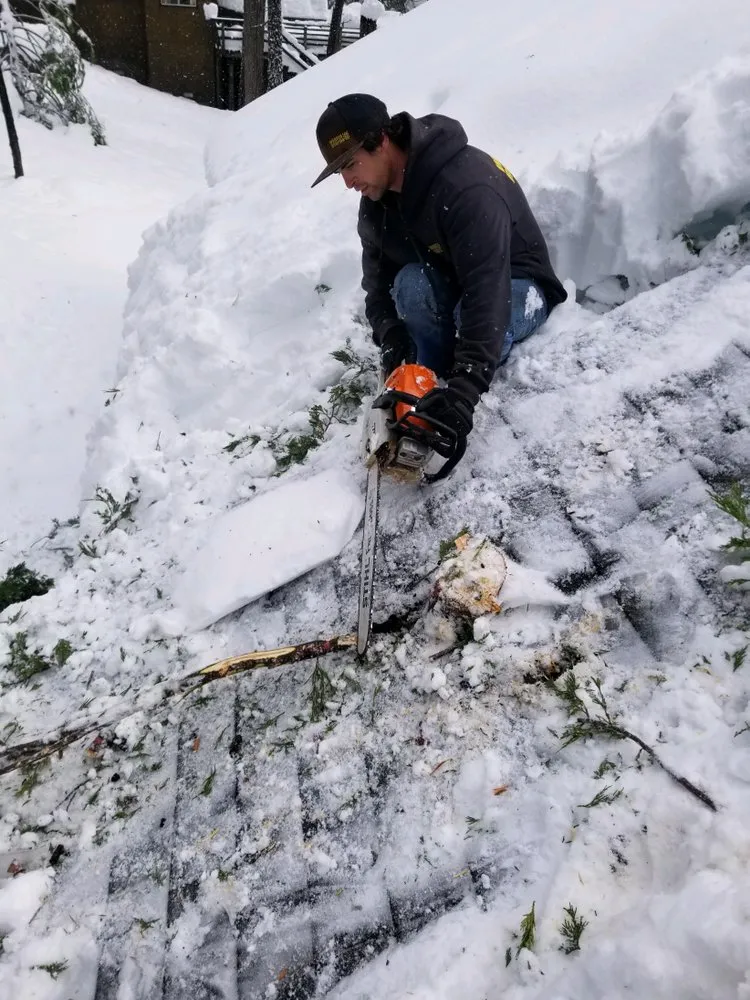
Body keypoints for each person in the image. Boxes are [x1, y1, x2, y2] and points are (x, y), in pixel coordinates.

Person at [311, 93, 567, 451]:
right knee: (409, 285)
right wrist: (391, 335)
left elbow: (487, 291)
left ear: (382, 141)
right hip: (459, 285)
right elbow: (377, 289)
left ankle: (455, 381)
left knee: (472, 317)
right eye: (341, 170)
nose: (348, 182)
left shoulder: (465, 186)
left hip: (518, 285)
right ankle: (427, 387)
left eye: (351, 164)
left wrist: (464, 393)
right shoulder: (376, 205)